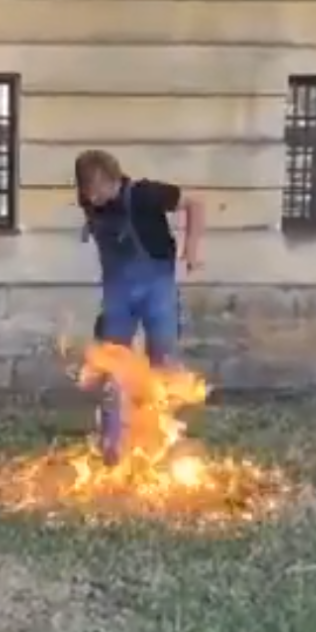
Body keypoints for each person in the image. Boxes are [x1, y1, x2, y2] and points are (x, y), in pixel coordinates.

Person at [75, 148, 204, 464]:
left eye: (93, 191)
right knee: (111, 363)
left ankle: (164, 442)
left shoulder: (146, 194)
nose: (90, 199)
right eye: (85, 193)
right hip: (117, 292)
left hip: (156, 287)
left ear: (108, 180)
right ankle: (112, 445)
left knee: (163, 361)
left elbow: (195, 203)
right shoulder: (92, 204)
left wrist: (192, 249)